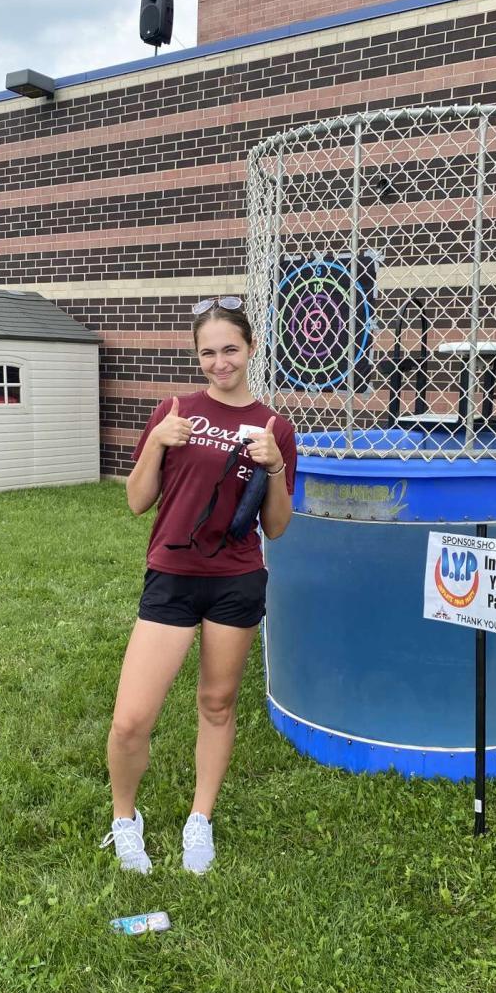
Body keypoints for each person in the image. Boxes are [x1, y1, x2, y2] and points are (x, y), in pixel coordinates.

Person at [100, 297, 297, 874]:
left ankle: (199, 819)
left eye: (230, 349)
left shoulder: (275, 428)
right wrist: (157, 442)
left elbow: (277, 527)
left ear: (251, 348)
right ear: (197, 355)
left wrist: (275, 468)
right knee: (131, 720)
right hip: (173, 575)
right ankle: (124, 819)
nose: (220, 362)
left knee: (217, 703)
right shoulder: (174, 411)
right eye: (208, 352)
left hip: (236, 579)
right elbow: (137, 501)